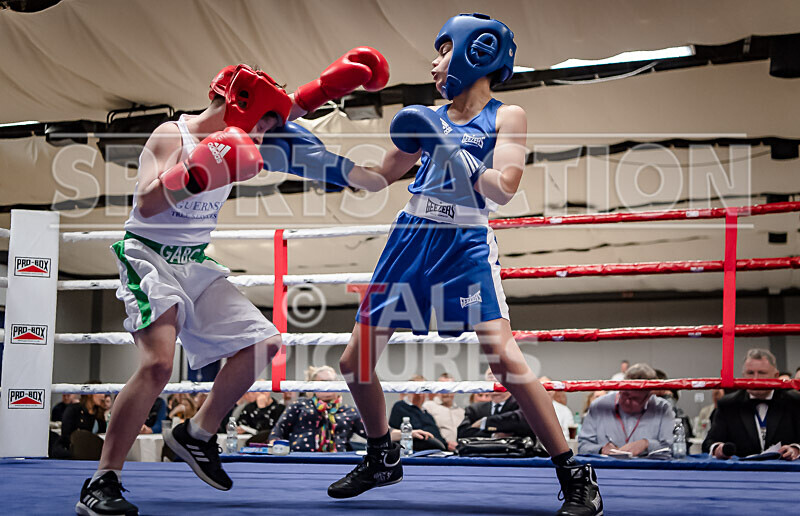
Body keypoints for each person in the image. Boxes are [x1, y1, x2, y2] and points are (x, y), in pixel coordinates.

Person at [75, 64, 294, 516]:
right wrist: (198, 170)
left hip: (193, 262)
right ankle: (102, 480)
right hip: (149, 255)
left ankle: (197, 434)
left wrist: (330, 87)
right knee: (158, 365)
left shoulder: (240, 141)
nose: (264, 135)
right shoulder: (171, 134)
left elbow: (294, 122)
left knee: (263, 343)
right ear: (240, 104)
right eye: (264, 122)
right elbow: (146, 203)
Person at [702, 349, 800, 460]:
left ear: (776, 375)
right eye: (750, 373)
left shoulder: (794, 401)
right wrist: (718, 449)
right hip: (741, 469)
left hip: (785, 469)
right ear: (743, 375)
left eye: (762, 373)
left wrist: (796, 449)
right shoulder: (728, 404)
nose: (755, 379)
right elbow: (709, 443)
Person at [578, 363, 674, 457]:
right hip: (606, 466)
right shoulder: (599, 406)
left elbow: (672, 449)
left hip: (648, 467)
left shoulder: (663, 408)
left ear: (648, 397)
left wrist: (647, 444)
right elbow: (582, 447)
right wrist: (601, 449)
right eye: (624, 394)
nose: (627, 401)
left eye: (635, 399)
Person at [269, 366, 366, 451]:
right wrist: (276, 447)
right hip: (300, 458)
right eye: (323, 383)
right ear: (313, 387)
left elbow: (372, 435)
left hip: (339, 459)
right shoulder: (299, 405)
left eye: (331, 382)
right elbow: (277, 431)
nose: (327, 386)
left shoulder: (349, 411)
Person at [458, 367, 536, 440]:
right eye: (490, 376)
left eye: (499, 376)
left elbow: (521, 422)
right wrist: (493, 436)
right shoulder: (475, 409)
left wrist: (485, 422)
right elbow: (462, 433)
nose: (494, 379)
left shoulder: (524, 404)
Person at [389, 375, 447, 452]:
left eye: (423, 390)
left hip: (439, 451)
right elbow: (393, 434)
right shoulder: (400, 407)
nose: (420, 393)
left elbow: (436, 435)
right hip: (415, 452)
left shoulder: (427, 413)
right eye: (416, 389)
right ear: (409, 391)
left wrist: (447, 445)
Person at [422, 373, 465, 451]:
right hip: (437, 451)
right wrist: (445, 444)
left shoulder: (462, 412)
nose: (446, 392)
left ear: (454, 390)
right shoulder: (428, 407)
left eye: (449, 388)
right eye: (442, 388)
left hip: (460, 451)